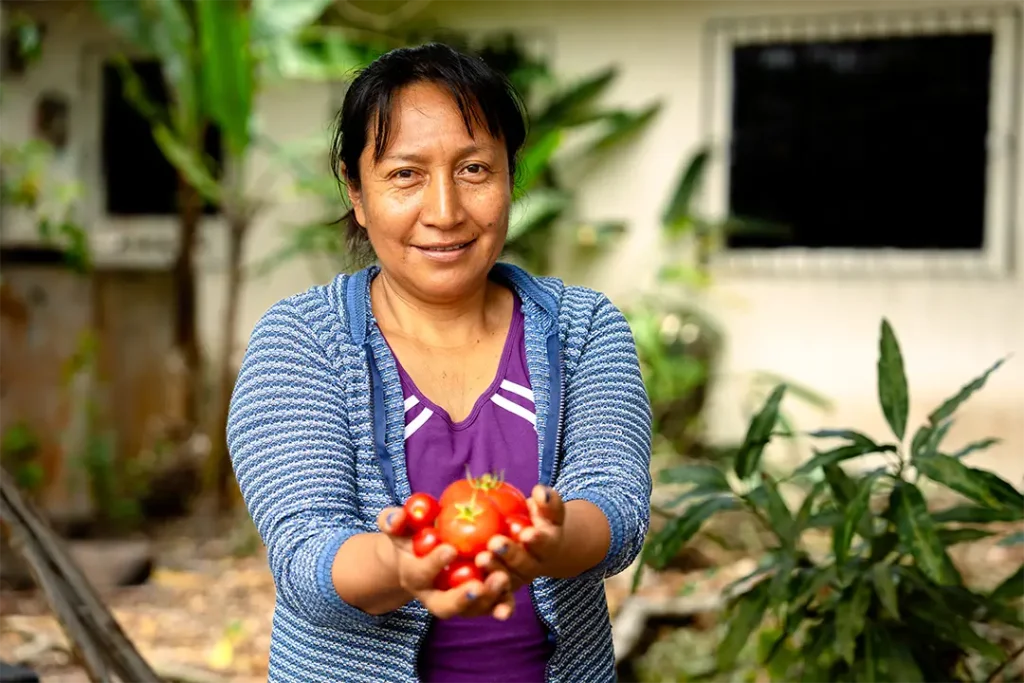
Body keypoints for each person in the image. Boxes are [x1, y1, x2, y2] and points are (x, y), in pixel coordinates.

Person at [227, 42, 652, 683]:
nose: (446, 211)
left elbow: (615, 506)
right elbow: (305, 551)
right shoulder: (299, 343)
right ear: (357, 191)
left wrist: (547, 542)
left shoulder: (583, 329)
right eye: (405, 174)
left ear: (511, 175)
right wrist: (402, 567)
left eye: (475, 169)